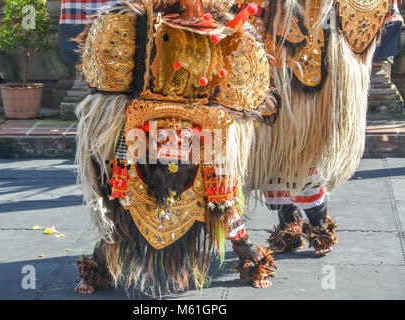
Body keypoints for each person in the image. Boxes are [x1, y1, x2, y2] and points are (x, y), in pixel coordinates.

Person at [73, 0, 279, 296]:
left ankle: (247, 254)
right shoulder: (137, 19)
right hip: (142, 123)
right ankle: (100, 266)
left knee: (219, 198)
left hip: (201, 125)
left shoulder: (220, 19)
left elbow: (237, 86)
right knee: (124, 200)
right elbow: (111, 81)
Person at [245, 0, 390, 255]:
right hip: (270, 47)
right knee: (275, 153)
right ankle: (288, 226)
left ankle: (318, 226)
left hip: (313, 52)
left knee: (302, 153)